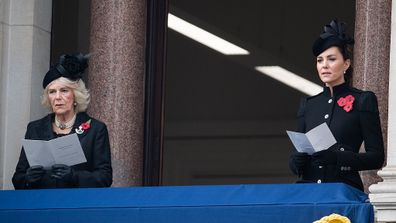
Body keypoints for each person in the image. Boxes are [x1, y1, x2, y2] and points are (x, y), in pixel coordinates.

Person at [288, 19, 384, 191]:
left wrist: (338, 158)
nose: (324, 65)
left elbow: (376, 157)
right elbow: (299, 151)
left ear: (346, 64)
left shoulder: (363, 99)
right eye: (319, 60)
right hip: (308, 190)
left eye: (331, 59)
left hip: (343, 190)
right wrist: (296, 162)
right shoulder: (308, 105)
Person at [12, 53, 113, 189]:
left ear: (76, 95)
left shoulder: (96, 129)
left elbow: (105, 178)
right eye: (52, 92)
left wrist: (74, 177)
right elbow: (17, 178)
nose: (57, 97)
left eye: (64, 90)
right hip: (42, 204)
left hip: (77, 205)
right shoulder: (34, 128)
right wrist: (28, 179)